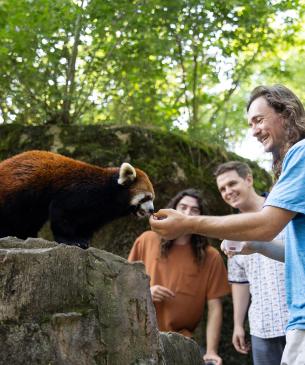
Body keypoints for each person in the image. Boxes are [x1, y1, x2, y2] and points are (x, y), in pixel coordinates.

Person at [150, 84, 305, 365]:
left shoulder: (302, 153)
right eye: (250, 124)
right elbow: (293, 253)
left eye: (259, 120)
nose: (254, 130)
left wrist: (187, 223)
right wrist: (255, 245)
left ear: (286, 113)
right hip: (270, 325)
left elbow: (267, 224)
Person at [128, 189, 230, 365]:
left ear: (201, 218)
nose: (187, 213)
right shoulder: (146, 239)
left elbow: (214, 307)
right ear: (172, 210)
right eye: (183, 207)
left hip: (181, 342)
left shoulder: (211, 256)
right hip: (140, 336)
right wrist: (146, 293)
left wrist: (212, 351)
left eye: (195, 210)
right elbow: (124, 285)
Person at [215, 160, 288, 365]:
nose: (228, 191)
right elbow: (239, 281)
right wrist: (238, 324)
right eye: (222, 188)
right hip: (262, 327)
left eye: (232, 184)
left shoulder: (283, 210)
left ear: (248, 179)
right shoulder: (231, 230)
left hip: (298, 321)